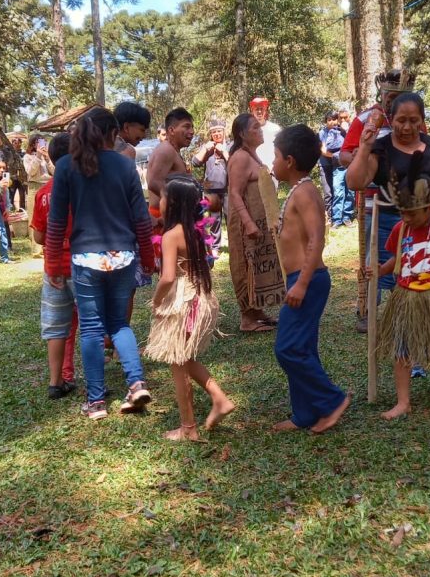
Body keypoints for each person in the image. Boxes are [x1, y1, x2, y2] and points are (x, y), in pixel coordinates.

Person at [45, 106, 156, 420]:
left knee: (91, 329)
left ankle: (95, 402)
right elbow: (142, 221)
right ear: (113, 134)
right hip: (123, 257)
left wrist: (53, 265)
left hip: (84, 260)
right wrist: (147, 260)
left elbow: (55, 224)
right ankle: (135, 383)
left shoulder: (66, 167)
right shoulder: (124, 166)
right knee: (119, 323)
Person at [346, 92, 430, 326]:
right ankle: (407, 332)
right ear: (391, 120)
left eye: (414, 120)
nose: (407, 126)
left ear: (423, 120)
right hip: (393, 226)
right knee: (400, 283)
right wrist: (364, 146)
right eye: (401, 120)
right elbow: (355, 182)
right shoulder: (380, 148)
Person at [270, 125, 351, 434]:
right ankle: (304, 414)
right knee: (302, 347)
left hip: (309, 279)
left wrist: (301, 283)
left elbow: (318, 239)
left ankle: (332, 401)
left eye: (276, 156)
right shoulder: (298, 189)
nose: (273, 161)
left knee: (287, 348)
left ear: (289, 160)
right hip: (299, 277)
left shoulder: (305, 191)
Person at [145, 174, 235, 441]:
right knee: (183, 358)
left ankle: (188, 428)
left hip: (183, 301)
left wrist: (157, 300)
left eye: (162, 198)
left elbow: (168, 276)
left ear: (173, 204)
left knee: (177, 362)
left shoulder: (172, 235)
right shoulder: (196, 231)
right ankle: (219, 400)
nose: (159, 202)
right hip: (199, 297)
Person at [373, 168, 430, 417]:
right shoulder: (401, 229)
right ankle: (403, 402)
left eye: (411, 213)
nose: (406, 218)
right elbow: (396, 259)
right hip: (405, 296)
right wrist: (377, 272)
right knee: (401, 347)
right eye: (402, 213)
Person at [32, 133, 81, 400]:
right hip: (82, 267)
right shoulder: (84, 189)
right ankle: (96, 381)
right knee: (91, 323)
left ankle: (56, 381)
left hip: (53, 269)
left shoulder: (42, 194)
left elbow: (38, 237)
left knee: (57, 326)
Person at [227, 113, 285, 332]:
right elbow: (234, 193)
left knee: (258, 263)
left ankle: (256, 311)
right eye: (254, 128)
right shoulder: (240, 158)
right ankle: (247, 319)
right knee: (246, 264)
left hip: (260, 222)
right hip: (246, 224)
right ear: (242, 134)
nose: (260, 130)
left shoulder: (251, 155)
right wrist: (249, 223)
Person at [146, 108, 194, 227]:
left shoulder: (172, 151)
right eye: (187, 127)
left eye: (192, 127)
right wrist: (177, 204)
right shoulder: (166, 150)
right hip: (164, 220)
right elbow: (153, 181)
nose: (192, 131)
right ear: (171, 130)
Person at [190, 118, 228, 257]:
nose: (217, 134)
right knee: (215, 219)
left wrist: (224, 152)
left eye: (219, 131)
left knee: (231, 217)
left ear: (224, 132)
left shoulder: (229, 145)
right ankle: (215, 247)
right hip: (211, 189)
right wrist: (206, 149)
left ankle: (235, 244)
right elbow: (195, 163)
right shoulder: (207, 146)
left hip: (228, 188)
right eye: (214, 132)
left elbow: (235, 164)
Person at [319, 111, 353, 228]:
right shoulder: (325, 132)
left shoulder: (347, 130)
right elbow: (324, 150)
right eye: (329, 120)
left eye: (345, 118)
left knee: (350, 192)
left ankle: (347, 217)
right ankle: (336, 219)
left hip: (350, 166)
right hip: (336, 166)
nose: (333, 122)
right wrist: (337, 156)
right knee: (337, 192)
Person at [249, 96, 281, 179]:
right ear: (252, 111)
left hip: (271, 172)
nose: (259, 112)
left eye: (261, 109)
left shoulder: (275, 129)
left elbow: (281, 150)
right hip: (253, 173)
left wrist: (275, 169)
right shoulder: (248, 130)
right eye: (256, 109)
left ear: (265, 110)